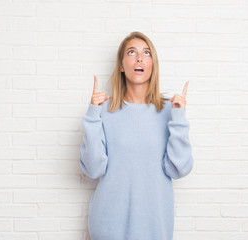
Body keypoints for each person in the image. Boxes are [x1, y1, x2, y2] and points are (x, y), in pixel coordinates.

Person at [79, 31, 194, 240]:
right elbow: (93, 169)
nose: (139, 58)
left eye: (146, 53)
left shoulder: (170, 109)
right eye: (132, 52)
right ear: (122, 66)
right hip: (107, 228)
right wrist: (93, 116)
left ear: (152, 65)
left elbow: (179, 168)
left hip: (154, 229)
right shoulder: (103, 109)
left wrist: (178, 118)